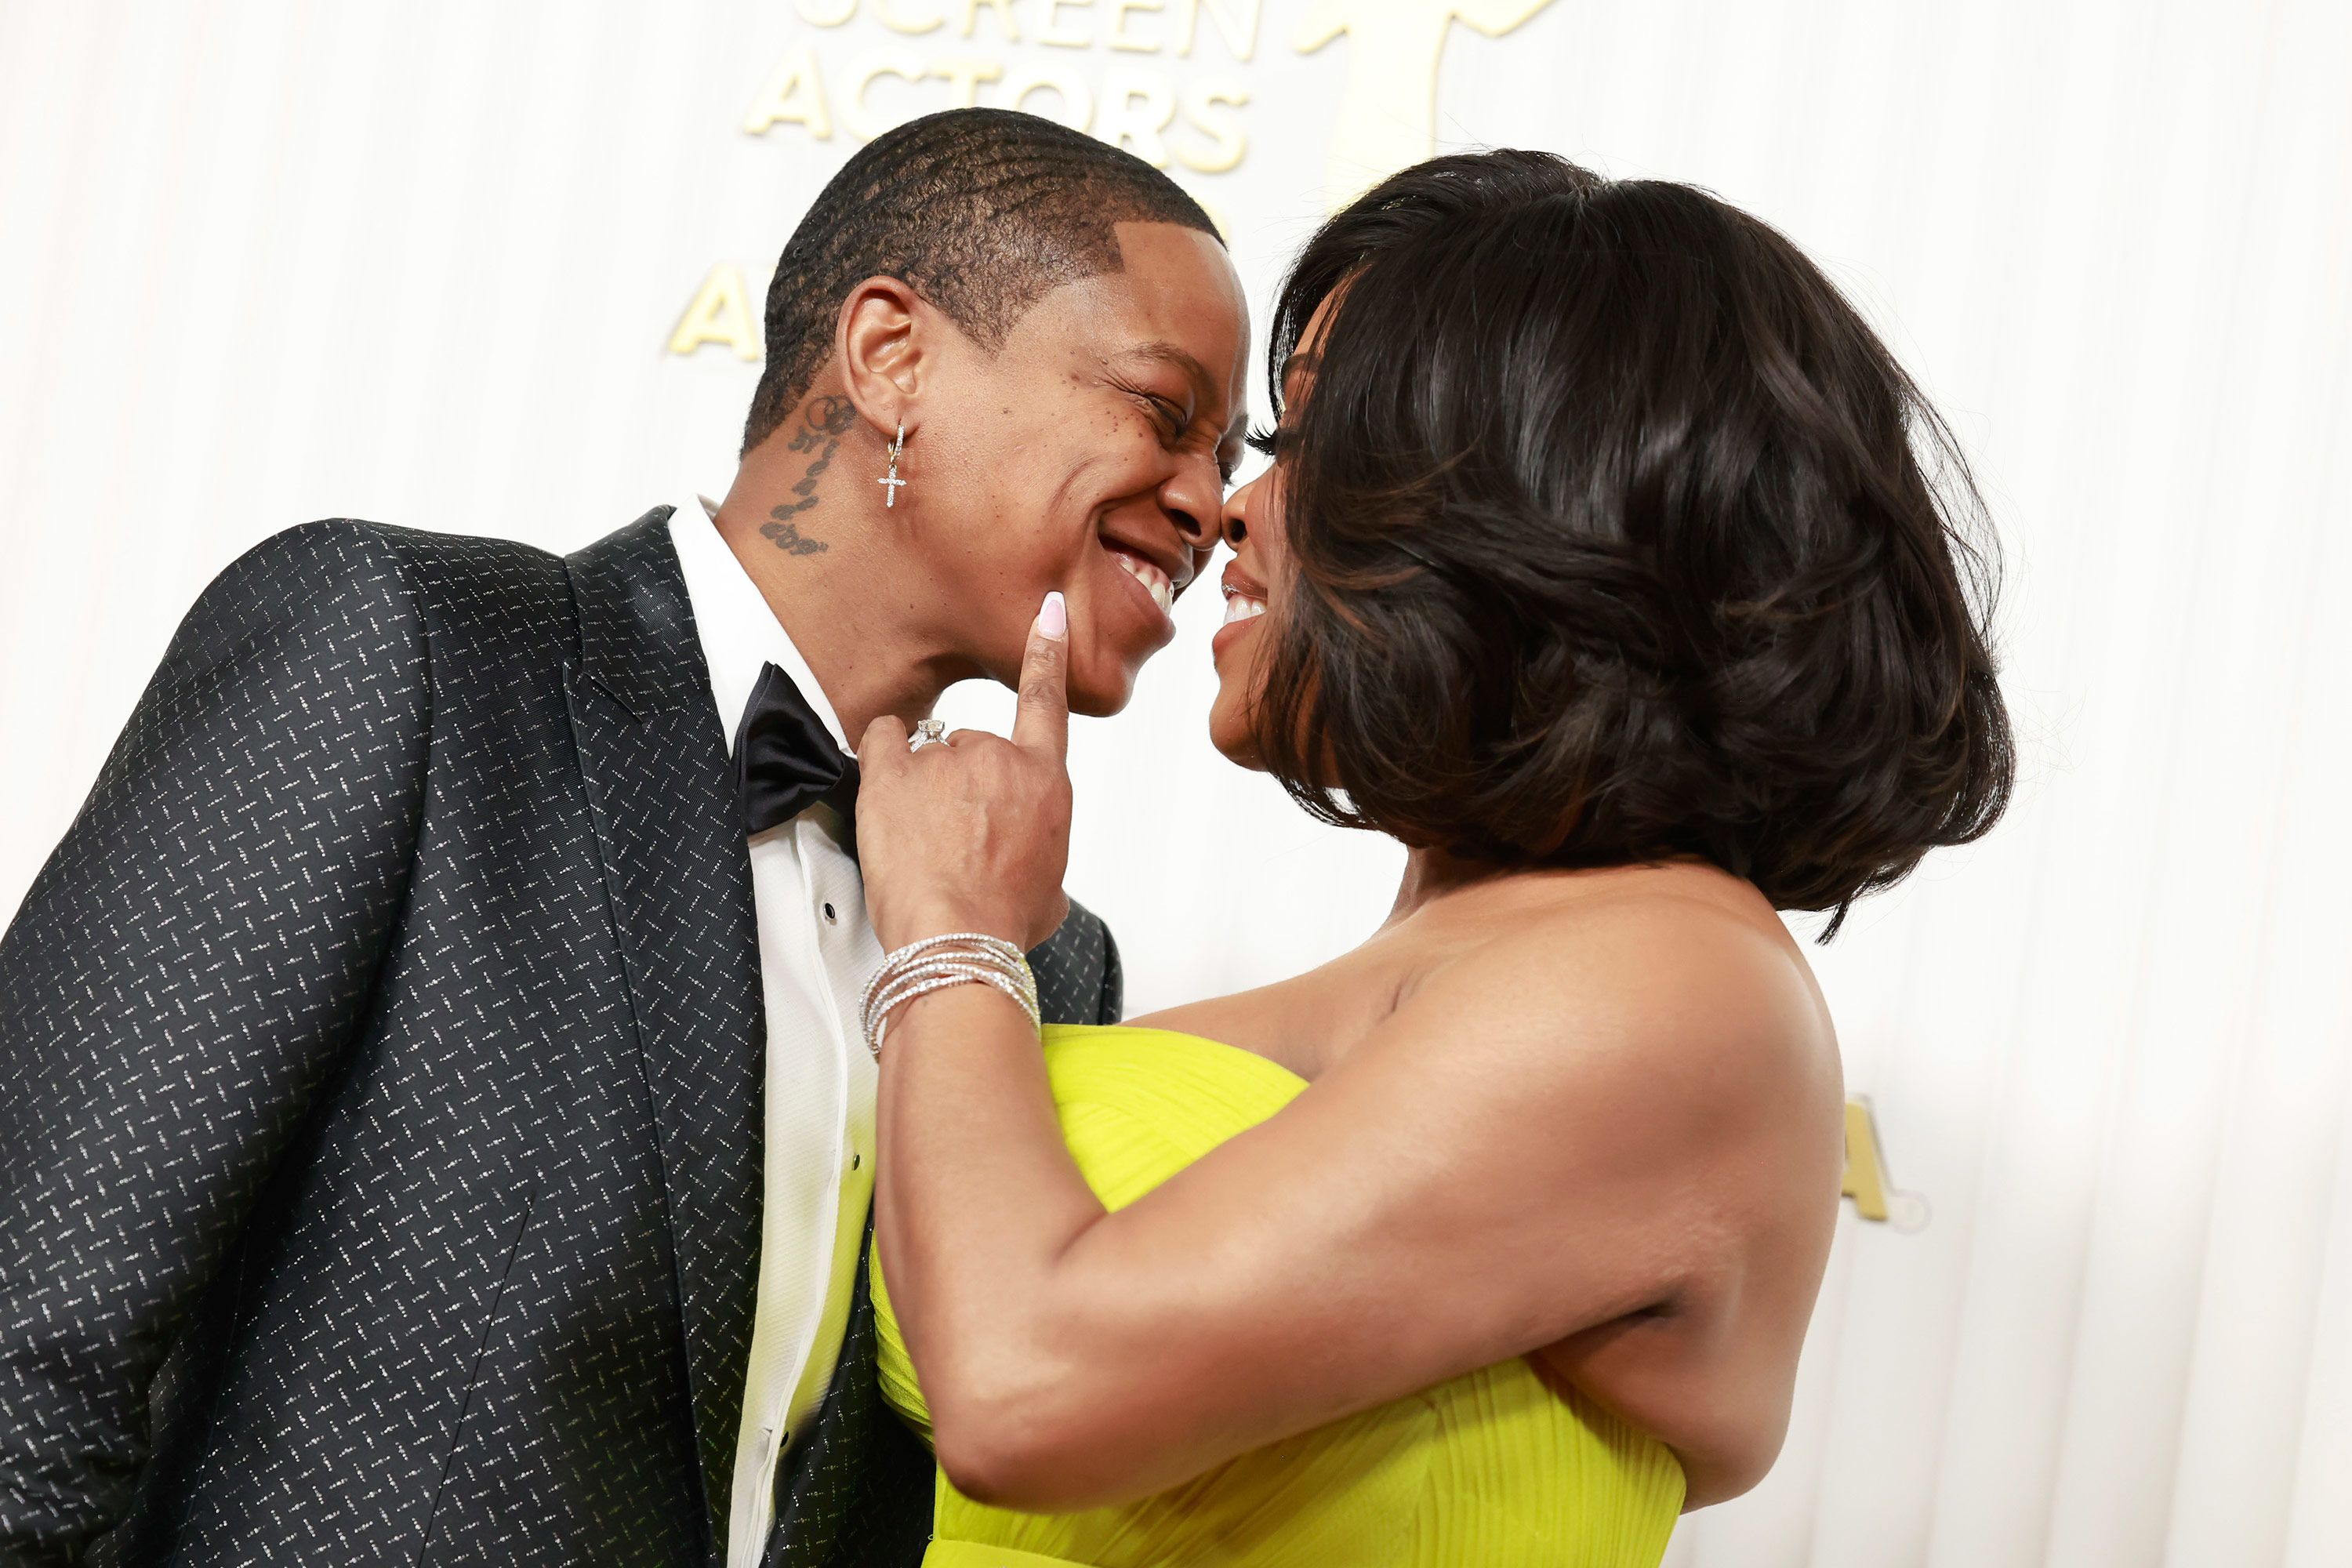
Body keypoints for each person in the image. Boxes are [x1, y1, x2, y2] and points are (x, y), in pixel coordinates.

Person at [0, 108, 1247, 1567]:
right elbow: (32, 1347)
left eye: (1227, 455)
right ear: (892, 357)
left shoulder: (1042, 955)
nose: (1213, 505)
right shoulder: (405, 654)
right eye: (1167, 415)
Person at [849, 150, 2015, 1566]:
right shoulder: (1499, 965)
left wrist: (953, 940)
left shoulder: (1669, 982)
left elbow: (1029, 1385)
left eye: (1310, 446)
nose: (1229, 511)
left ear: (1533, 498)